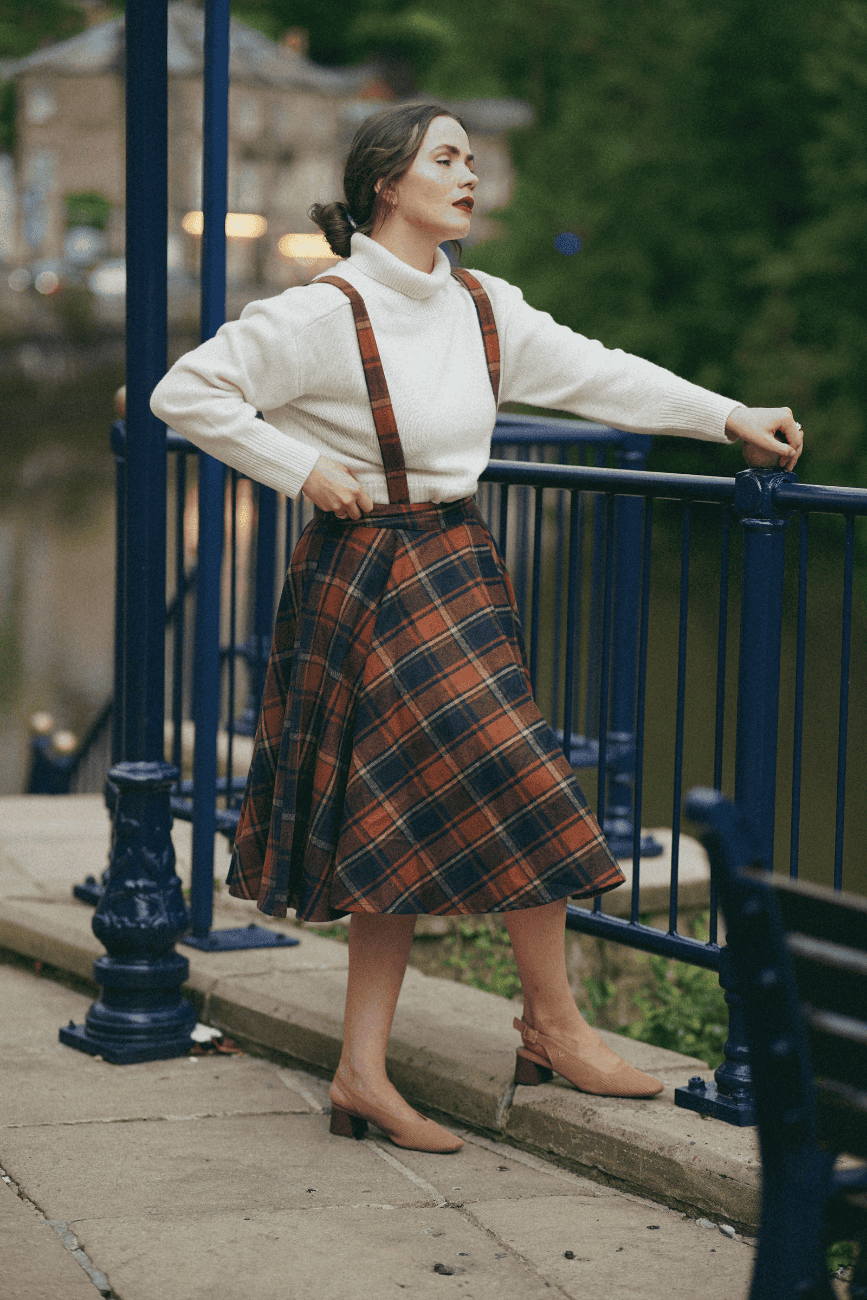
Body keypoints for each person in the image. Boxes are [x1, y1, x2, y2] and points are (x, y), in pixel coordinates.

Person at [151, 102, 804, 1155]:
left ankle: (416, 1059)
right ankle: (534, 1029)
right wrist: (301, 467)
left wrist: (727, 414)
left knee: (406, 815)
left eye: (469, 158)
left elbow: (601, 372)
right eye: (445, 159)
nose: (468, 175)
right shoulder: (328, 311)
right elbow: (186, 391)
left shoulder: (482, 306)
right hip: (365, 576)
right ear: (386, 185)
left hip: (459, 566)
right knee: (509, 781)